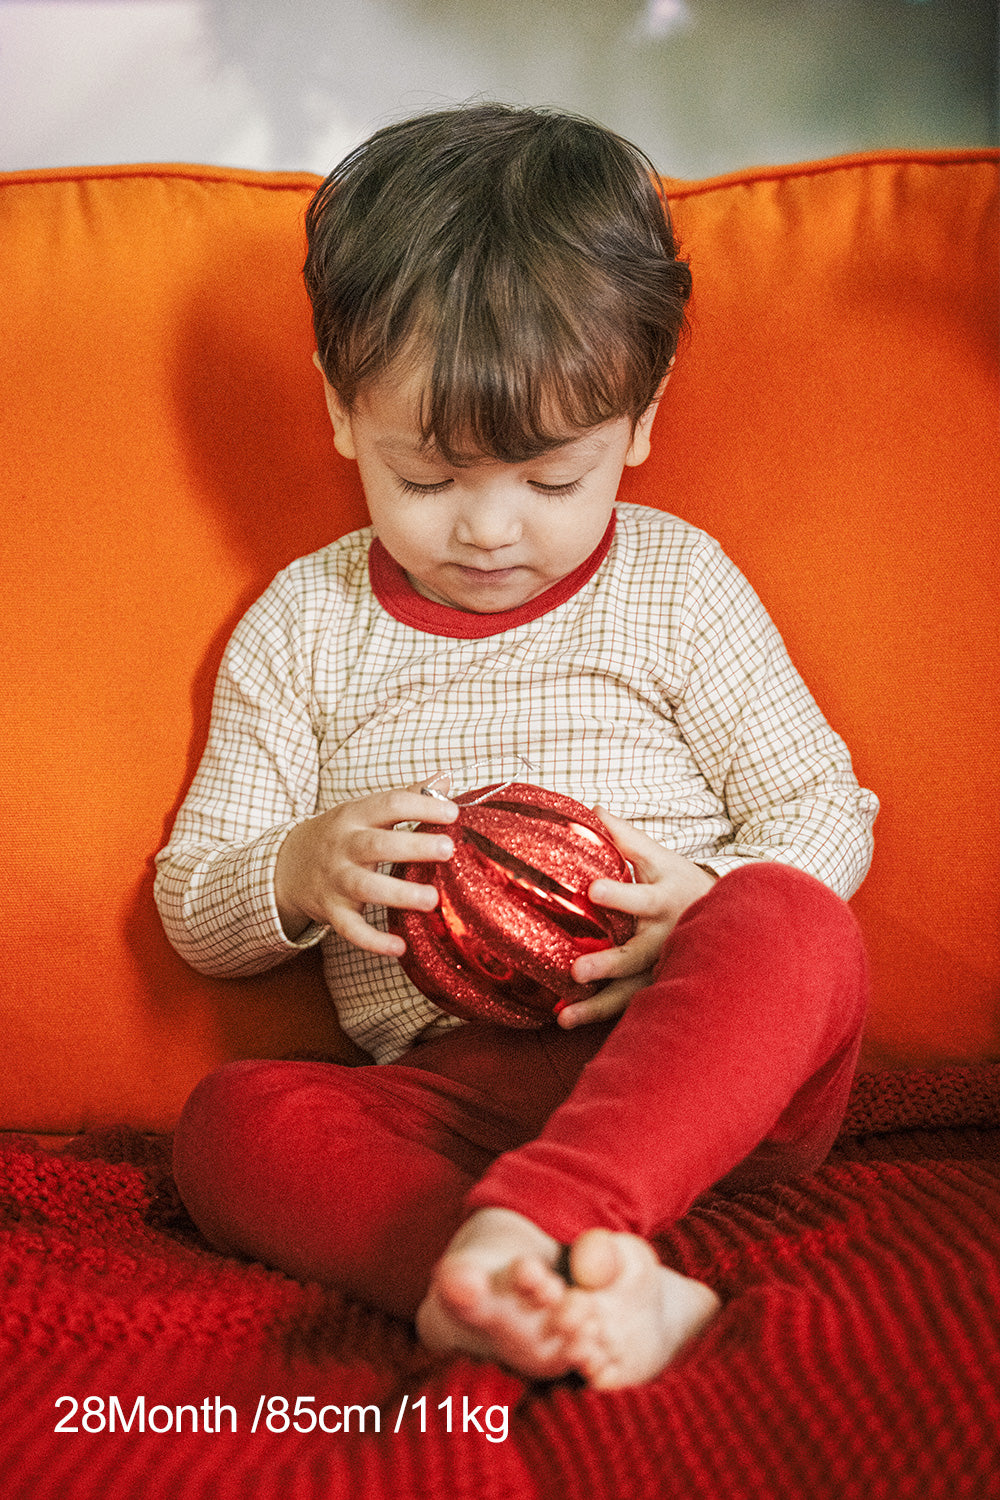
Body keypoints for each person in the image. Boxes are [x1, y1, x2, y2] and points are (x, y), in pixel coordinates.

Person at [156, 103, 877, 1390]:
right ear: (340, 412)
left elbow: (824, 803)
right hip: (457, 1100)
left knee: (795, 921)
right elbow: (194, 905)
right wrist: (299, 868)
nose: (488, 529)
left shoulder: (678, 584)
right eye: (425, 480)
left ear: (641, 421)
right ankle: (512, 1275)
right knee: (230, 1125)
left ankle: (547, 1225)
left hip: (698, 1066)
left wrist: (700, 910)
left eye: (551, 481)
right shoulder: (303, 628)